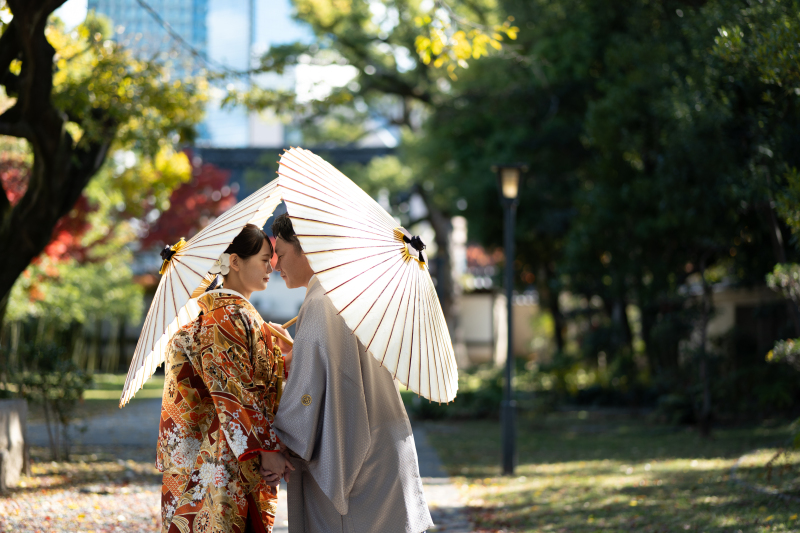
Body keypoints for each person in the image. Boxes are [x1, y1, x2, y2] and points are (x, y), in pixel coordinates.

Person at [265, 213, 434, 533]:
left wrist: (275, 444)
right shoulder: (347, 292)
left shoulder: (320, 301)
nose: (275, 265)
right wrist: (297, 355)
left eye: (282, 254)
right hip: (383, 440)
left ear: (308, 250)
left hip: (359, 458)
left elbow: (308, 394)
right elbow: (338, 371)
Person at [156, 223, 295, 533]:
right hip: (220, 454)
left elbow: (250, 382)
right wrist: (268, 448)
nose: (271, 267)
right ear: (234, 262)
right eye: (263, 258)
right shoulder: (228, 315)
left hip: (228, 448)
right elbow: (233, 391)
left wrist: (284, 360)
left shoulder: (233, 313)